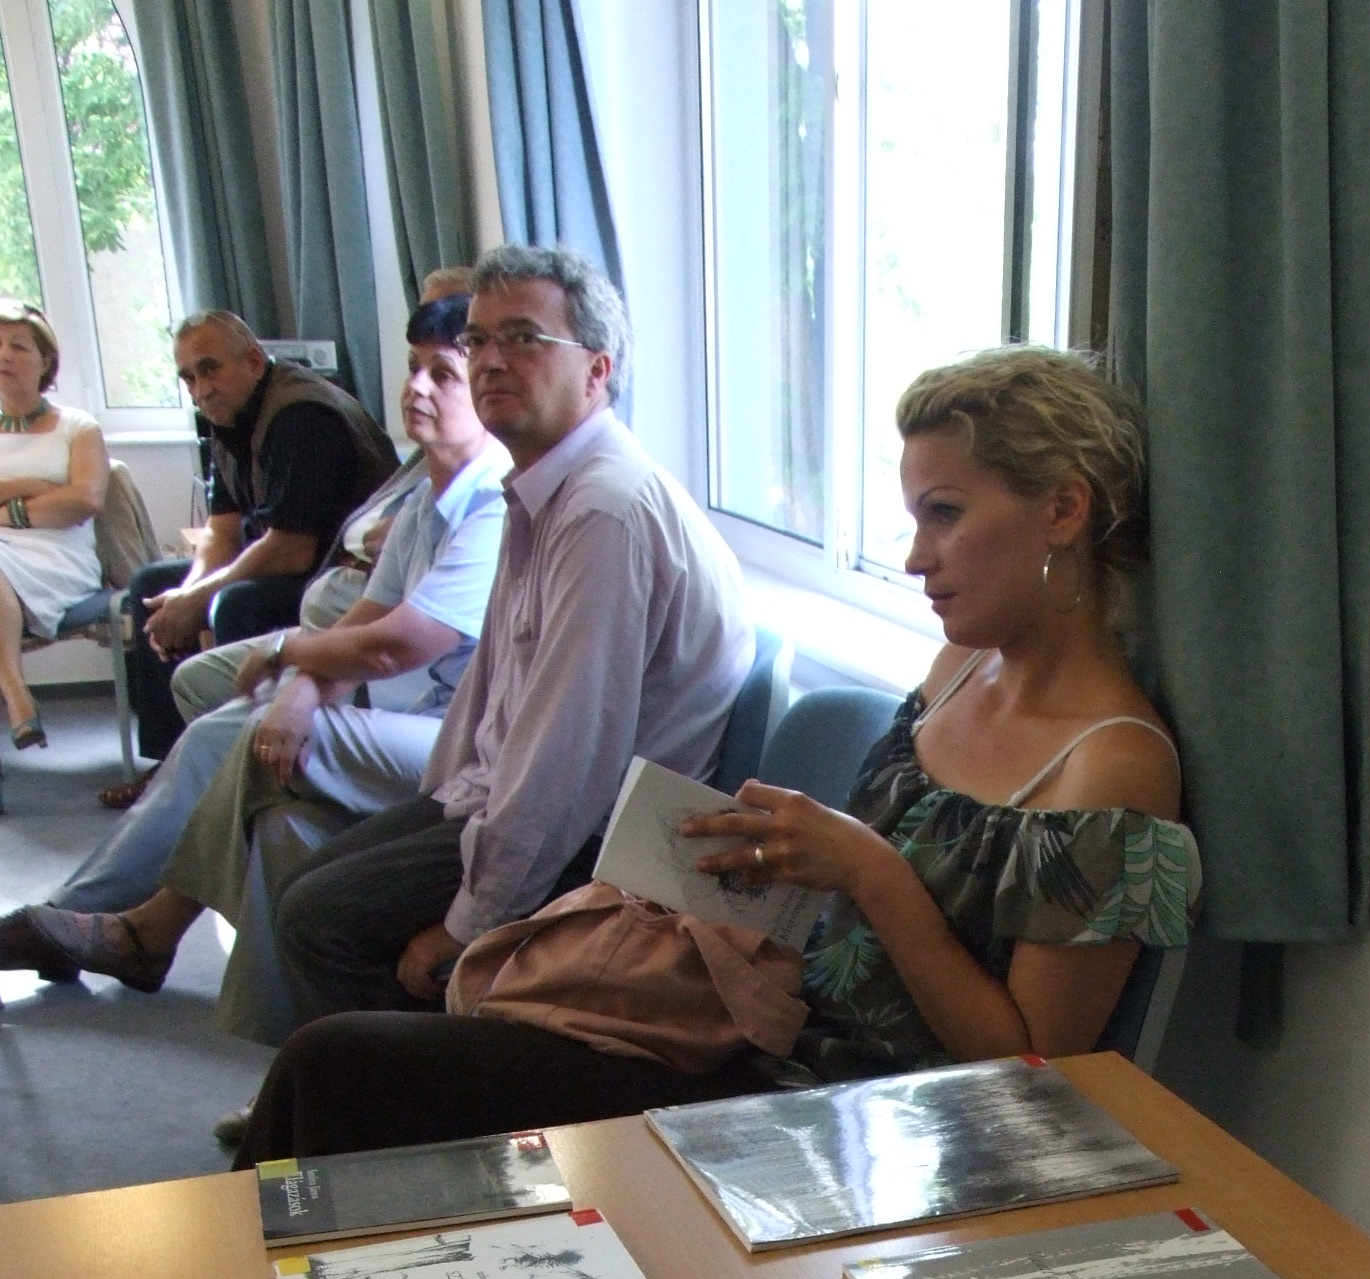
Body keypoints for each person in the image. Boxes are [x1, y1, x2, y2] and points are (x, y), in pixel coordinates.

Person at [233, 344, 1201, 1161]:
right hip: (756, 1039)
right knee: (337, 1068)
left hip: (859, 1126)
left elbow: (1035, 1070)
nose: (916, 558)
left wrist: (867, 871)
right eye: (914, 520)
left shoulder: (1110, 765)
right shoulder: (960, 667)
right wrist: (764, 858)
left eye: (945, 514)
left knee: (348, 1078)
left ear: (1062, 512)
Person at [254, 241, 753, 1035]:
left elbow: (569, 758)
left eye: (523, 338)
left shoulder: (603, 512)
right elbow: (492, 698)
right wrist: (437, 807)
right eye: (479, 339)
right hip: (517, 799)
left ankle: (417, 1098)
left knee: (318, 920)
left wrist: (468, 925)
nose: (489, 360)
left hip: (603, 847)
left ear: (597, 369)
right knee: (305, 885)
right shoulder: (543, 486)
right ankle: (356, 1082)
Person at [0, 295, 509, 1043]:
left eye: (443, 374)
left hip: (464, 739)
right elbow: (363, 616)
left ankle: (142, 929)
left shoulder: (493, 500)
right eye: (412, 369)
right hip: (406, 708)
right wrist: (301, 687)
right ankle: (284, 1043)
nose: (416, 388)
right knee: (268, 800)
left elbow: (395, 644)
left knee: (244, 737)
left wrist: (285, 656)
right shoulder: (432, 494)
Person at [115, 310, 395, 780]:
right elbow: (221, 530)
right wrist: (186, 593)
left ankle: (245, 762)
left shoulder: (300, 415)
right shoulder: (228, 415)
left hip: (340, 571)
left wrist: (200, 600)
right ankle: (172, 764)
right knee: (150, 585)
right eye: (188, 377)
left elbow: (291, 549)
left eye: (210, 369)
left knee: (234, 602)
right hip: (291, 558)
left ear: (253, 362)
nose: (201, 389)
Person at [0, 300, 107, 751]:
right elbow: (62, 498)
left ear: (45, 361)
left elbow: (84, 501)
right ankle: (16, 693)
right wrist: (31, 485)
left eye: (18, 346)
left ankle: (14, 696)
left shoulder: (78, 427)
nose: (4, 355)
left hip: (59, 557)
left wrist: (6, 509)